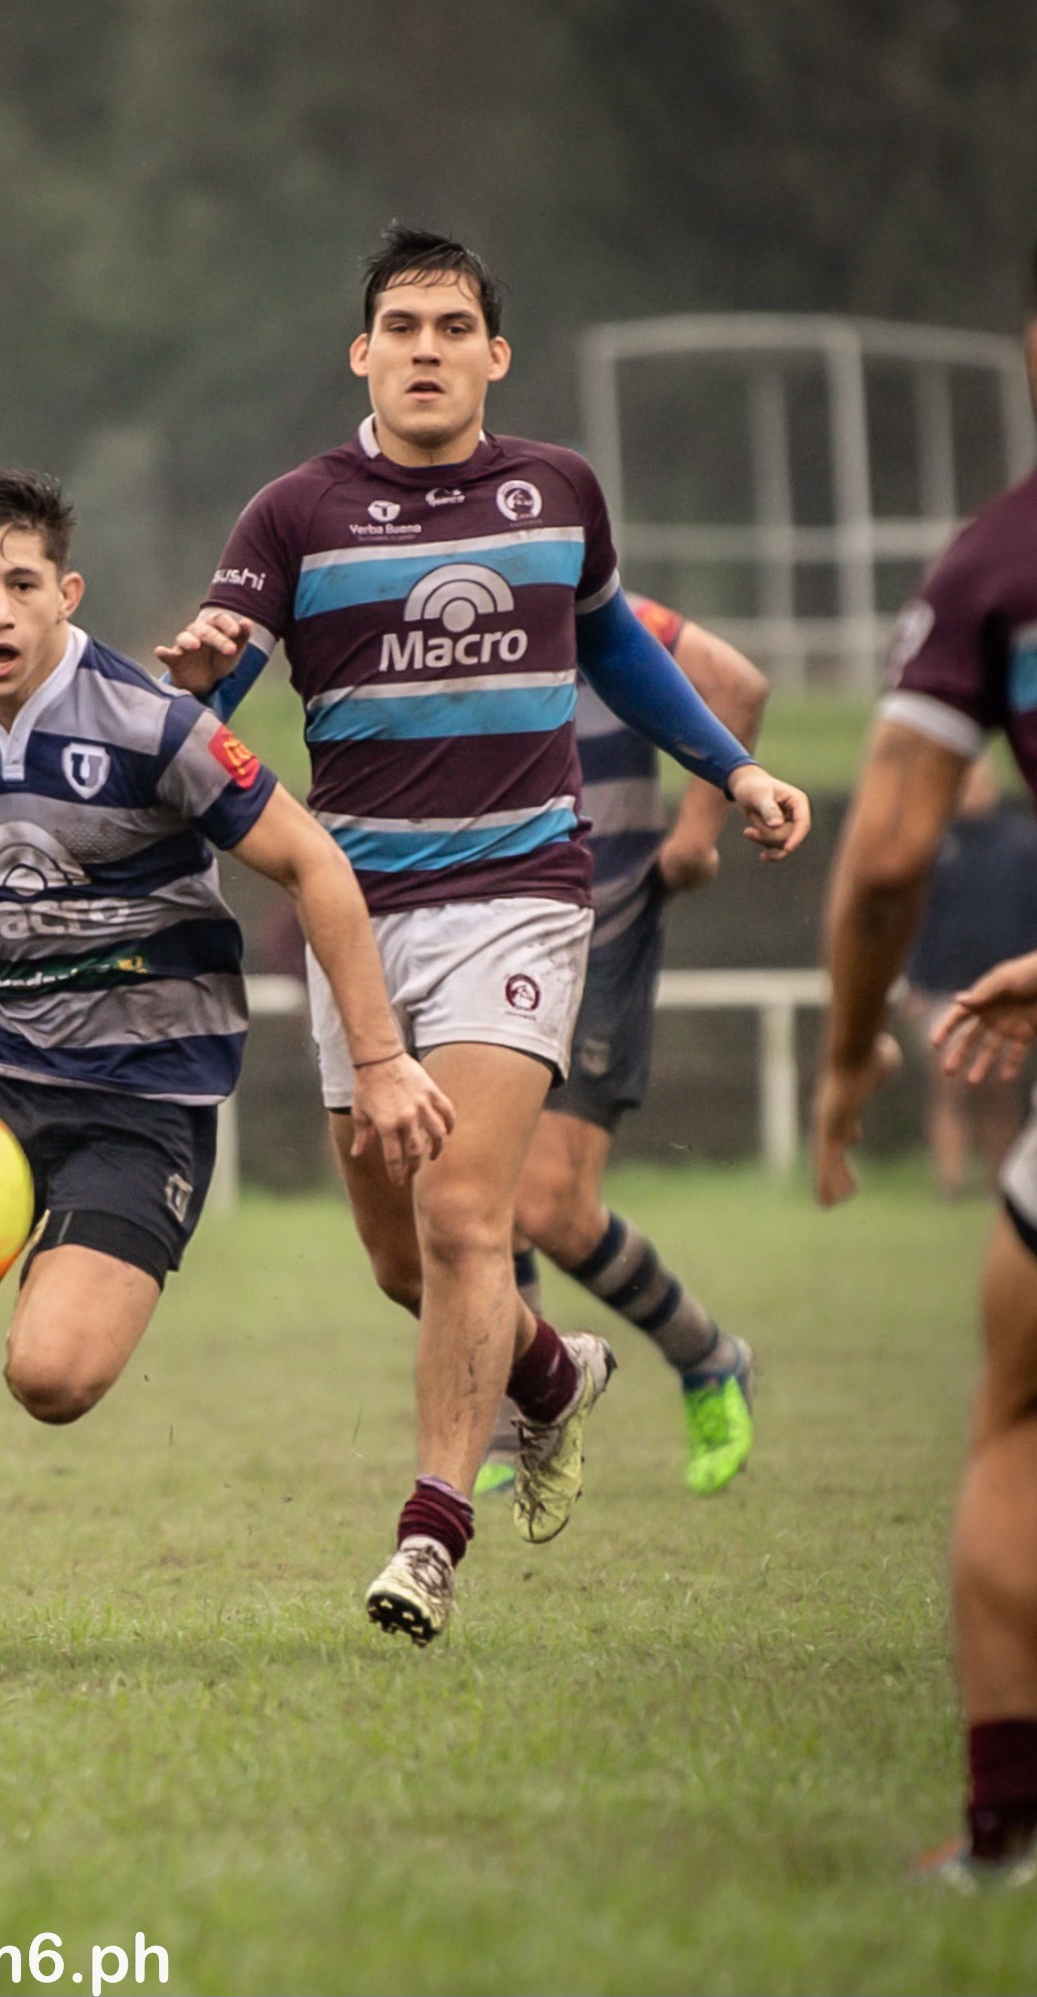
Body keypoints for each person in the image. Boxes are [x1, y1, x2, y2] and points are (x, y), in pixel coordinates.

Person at [158, 225, 810, 1644]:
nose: (428, 349)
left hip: (523, 892)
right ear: (363, 352)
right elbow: (220, 706)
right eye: (403, 326)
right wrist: (201, 683)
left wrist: (732, 770)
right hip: (356, 914)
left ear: (494, 355)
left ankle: (430, 1537)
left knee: (469, 1219)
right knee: (402, 1259)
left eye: (455, 327)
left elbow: (617, 647)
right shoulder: (292, 515)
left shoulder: (557, 489)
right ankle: (554, 1377)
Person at [0, 467, 454, 1657]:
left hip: (142, 1097)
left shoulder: (154, 724)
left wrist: (378, 1059)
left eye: (23, 584)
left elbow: (315, 863)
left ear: (68, 593)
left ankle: (68, 1264)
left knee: (51, 1378)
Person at [813, 242, 1037, 1888]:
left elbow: (883, 856)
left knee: (1015, 1418)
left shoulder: (994, 568)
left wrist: (841, 1062)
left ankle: (1003, 1832)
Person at [479, 599, 768, 1499]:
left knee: (551, 1203)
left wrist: (694, 834)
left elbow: (737, 682)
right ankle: (510, 1420)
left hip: (601, 913)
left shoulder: (578, 593)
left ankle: (710, 1356)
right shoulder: (420, 597)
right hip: (479, 920)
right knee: (476, 1185)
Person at [901, 759, 1037, 1198]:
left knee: (1001, 1089)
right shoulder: (937, 843)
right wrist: (916, 982)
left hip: (1011, 993)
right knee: (950, 1083)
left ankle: (1004, 1184)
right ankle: (952, 1183)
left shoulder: (1022, 844)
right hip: (948, 990)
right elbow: (920, 918)